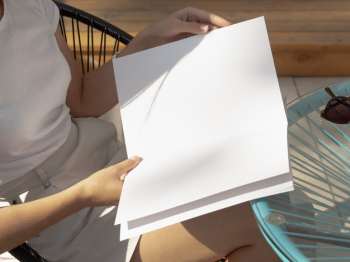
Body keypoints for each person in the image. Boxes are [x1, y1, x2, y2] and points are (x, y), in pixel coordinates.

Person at [0, 0, 281, 261]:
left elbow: (81, 101)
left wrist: (151, 40)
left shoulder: (28, 6)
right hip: (54, 215)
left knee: (279, 198)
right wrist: (84, 195)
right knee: (265, 225)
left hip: (110, 159)